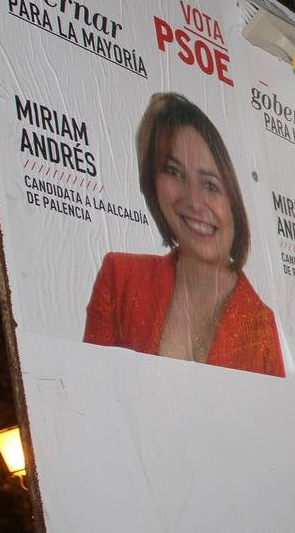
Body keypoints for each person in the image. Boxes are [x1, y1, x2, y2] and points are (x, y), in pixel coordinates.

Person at [84, 93, 284, 377]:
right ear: (153, 184)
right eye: (173, 172)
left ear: (234, 203)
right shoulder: (119, 279)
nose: (193, 200)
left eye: (210, 185)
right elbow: (91, 397)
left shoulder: (263, 326)